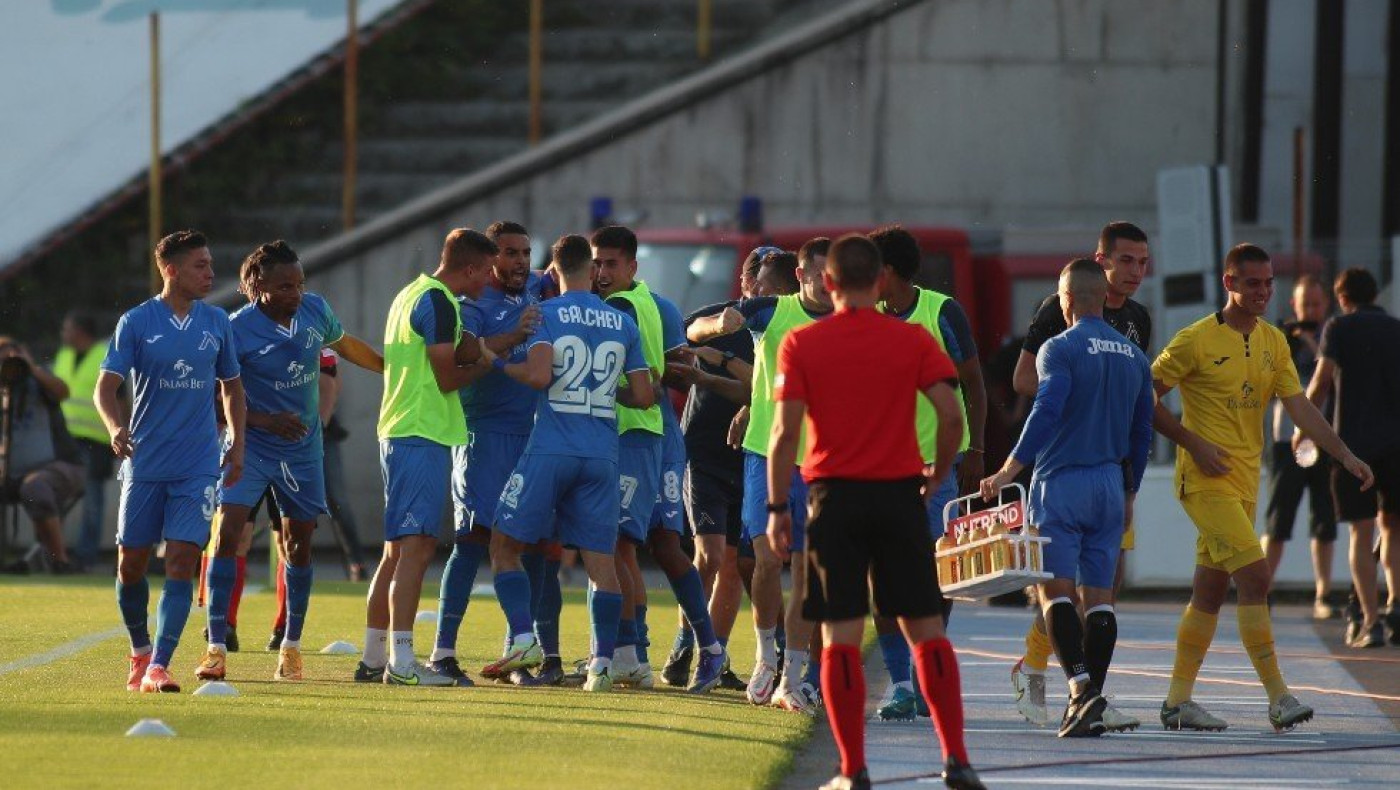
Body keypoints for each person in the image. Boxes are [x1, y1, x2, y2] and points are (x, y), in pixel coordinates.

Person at [769, 233, 982, 790]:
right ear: (880, 280)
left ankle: (852, 770)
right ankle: (956, 759)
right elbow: (951, 410)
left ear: (831, 282)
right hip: (899, 496)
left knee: (841, 636)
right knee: (927, 630)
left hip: (834, 498)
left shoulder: (803, 344)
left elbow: (783, 434)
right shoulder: (911, 339)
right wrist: (938, 472)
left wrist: (774, 508)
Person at [1151, 243, 1373, 731]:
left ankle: (1176, 702)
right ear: (1229, 283)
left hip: (1248, 481)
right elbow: (1143, 396)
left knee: (1209, 591)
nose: (1263, 291)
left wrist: (1346, 455)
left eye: (1269, 282)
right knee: (1255, 577)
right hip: (1203, 481)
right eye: (1253, 283)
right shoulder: (1194, 340)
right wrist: (1193, 442)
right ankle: (1278, 697)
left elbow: (1301, 409)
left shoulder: (1274, 341)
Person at [979, 259, 1155, 738]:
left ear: (1068, 299)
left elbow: (1046, 409)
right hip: (1110, 486)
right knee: (1100, 601)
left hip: (1061, 482)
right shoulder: (1134, 356)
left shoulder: (1058, 347)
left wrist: (1009, 468)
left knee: (1054, 592)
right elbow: (1142, 434)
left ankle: (1079, 688)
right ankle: (1090, 700)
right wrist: (1131, 490)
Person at [196, 240, 383, 683]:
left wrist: (390, 367)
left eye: (299, 284)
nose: (295, 293)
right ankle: (216, 647)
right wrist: (262, 419)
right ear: (257, 285)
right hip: (252, 446)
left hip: (302, 451)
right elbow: (214, 396)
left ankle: (291, 647)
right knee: (227, 533)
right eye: (284, 286)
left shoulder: (315, 310)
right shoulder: (235, 329)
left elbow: (346, 346)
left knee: (297, 544)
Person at [478, 233, 654, 692]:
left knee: (504, 544)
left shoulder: (545, 313)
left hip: (552, 448)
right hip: (602, 453)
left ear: (554, 271)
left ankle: (522, 638)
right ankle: (599, 666)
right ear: (593, 271)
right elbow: (643, 395)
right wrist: (600, 390)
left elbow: (537, 376)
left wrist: (496, 364)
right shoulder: (621, 322)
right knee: (602, 564)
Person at [95, 230, 246, 693]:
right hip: (145, 463)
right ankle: (140, 650)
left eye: (210, 263)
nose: (210, 273)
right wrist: (115, 428)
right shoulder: (137, 322)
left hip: (198, 464)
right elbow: (106, 387)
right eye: (200, 265)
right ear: (171, 270)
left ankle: (160, 664)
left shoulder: (217, 321)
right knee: (131, 565)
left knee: (182, 559)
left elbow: (232, 388)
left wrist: (236, 443)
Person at [689, 240, 835, 711]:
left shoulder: (848, 322)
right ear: (800, 275)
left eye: (832, 277)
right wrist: (720, 324)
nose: (826, 285)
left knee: (807, 568)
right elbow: (695, 330)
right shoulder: (770, 311)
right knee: (766, 561)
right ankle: (765, 658)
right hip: (766, 454)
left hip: (821, 461)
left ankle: (793, 675)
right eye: (817, 276)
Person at [356, 228, 496, 686]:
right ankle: (401, 664)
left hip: (399, 431)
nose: (488, 282)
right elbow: (446, 378)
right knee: (415, 550)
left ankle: (374, 657)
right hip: (420, 432)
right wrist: (484, 363)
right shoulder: (438, 301)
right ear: (471, 268)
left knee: (395, 552)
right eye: (486, 272)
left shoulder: (410, 293)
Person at [592, 225, 726, 692]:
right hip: (640, 441)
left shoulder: (655, 309)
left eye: (611, 263)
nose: (602, 272)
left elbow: (679, 376)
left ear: (632, 266)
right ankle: (645, 650)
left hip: (648, 440)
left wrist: (664, 368)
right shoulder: (607, 307)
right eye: (597, 262)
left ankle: (644, 651)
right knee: (642, 546)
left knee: (631, 546)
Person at [869, 224, 987, 721]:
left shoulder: (942, 312)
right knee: (881, 578)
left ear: (888, 271)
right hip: (879, 468)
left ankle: (921, 672)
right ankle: (900, 684)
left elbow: (974, 387)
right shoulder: (865, 315)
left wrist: (976, 451)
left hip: (940, 466)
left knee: (936, 578)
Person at [429, 220, 545, 686]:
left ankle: (519, 652)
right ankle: (443, 651)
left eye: (525, 252)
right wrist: (513, 336)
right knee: (473, 540)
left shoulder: (537, 290)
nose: (520, 261)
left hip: (533, 437)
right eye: (510, 252)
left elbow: (562, 270)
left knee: (528, 545)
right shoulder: (473, 304)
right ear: (488, 260)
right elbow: (465, 354)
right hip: (484, 436)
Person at [660, 247, 772, 690]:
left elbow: (761, 387)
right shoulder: (723, 317)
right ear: (747, 286)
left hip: (748, 459)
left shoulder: (780, 330)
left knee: (734, 563)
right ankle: (685, 646)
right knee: (707, 557)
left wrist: (723, 363)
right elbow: (690, 331)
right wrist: (713, 335)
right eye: (761, 284)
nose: (768, 293)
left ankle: (715, 655)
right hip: (705, 456)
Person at [1304, 268, 1400, 647]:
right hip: (1396, 446)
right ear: (1375, 294)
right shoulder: (1396, 328)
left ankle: (1371, 620)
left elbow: (1322, 380)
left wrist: (1303, 425)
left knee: (1360, 533)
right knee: (1392, 528)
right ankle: (1395, 604)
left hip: (1353, 447)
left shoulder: (1338, 328)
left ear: (1342, 298)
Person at [1262, 276, 1337, 620]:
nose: (1310, 310)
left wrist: (1311, 339)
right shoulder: (1279, 339)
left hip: (1324, 437)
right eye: (1304, 304)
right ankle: (1262, 590)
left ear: (1326, 305)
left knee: (1324, 518)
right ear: (1294, 305)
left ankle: (1324, 593)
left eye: (1316, 304)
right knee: (1279, 518)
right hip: (1286, 439)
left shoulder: (1331, 338)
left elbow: (1332, 373)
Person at [0, 337, 84, 574]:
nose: (10, 360)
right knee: (32, 486)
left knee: (35, 487)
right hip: (12, 471)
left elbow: (62, 391)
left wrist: (31, 367)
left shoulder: (41, 382)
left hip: (60, 466)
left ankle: (61, 562)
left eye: (15, 353)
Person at [53, 311, 118, 571]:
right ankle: (55, 553)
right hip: (64, 440)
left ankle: (86, 555)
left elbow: (118, 396)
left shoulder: (105, 355)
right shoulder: (64, 356)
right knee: (56, 495)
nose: (63, 334)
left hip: (95, 441)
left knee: (92, 500)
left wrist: (118, 431)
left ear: (80, 331)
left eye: (67, 329)